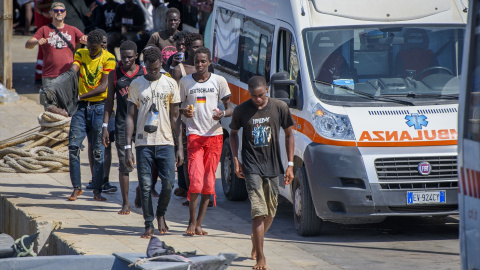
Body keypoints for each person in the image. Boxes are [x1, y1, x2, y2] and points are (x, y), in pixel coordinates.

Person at [229, 76, 295, 270]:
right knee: (258, 212)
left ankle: (255, 238)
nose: (257, 99)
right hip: (252, 167)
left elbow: (290, 134)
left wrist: (290, 164)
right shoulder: (241, 110)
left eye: (261, 95)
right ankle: (261, 257)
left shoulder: (279, 107)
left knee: (270, 212)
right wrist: (235, 159)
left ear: (267, 89)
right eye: (253, 96)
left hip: (273, 166)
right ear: (249, 92)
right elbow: (232, 134)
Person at [125, 47, 183, 238]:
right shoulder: (136, 85)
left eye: (156, 68)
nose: (153, 71)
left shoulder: (171, 84)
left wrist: (179, 146)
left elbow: (176, 117)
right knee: (146, 185)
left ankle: (161, 215)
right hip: (143, 143)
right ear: (144, 66)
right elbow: (130, 117)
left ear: (161, 65)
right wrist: (128, 148)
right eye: (150, 69)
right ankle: (148, 224)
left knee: (168, 183)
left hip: (166, 141)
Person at [179, 47, 232, 236]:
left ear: (209, 62)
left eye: (203, 61)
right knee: (195, 181)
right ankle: (191, 223)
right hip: (193, 135)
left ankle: (200, 224)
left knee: (209, 184)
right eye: (196, 61)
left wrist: (222, 114)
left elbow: (229, 107)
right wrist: (184, 112)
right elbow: (177, 108)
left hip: (215, 136)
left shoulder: (219, 81)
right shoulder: (185, 82)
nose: (199, 65)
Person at [66, 29, 116, 202]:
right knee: (73, 146)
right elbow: (74, 69)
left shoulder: (108, 58)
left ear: (101, 46)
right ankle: (76, 188)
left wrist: (79, 96)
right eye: (89, 48)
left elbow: (103, 86)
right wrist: (66, 80)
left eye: (95, 49)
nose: (92, 52)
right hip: (80, 108)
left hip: (99, 108)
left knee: (97, 151)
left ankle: (97, 191)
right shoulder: (81, 52)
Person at [102, 40, 146, 215]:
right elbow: (108, 101)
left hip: (141, 123)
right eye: (123, 57)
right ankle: (125, 203)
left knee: (144, 164)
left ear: (136, 56)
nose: (126, 60)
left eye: (129, 57)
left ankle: (140, 191)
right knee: (123, 164)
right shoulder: (115, 74)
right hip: (121, 123)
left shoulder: (143, 73)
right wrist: (105, 125)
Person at [25, 2, 87, 93]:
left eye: (62, 10)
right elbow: (28, 45)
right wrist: (36, 42)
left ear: (65, 13)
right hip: (50, 77)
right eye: (56, 10)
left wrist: (91, 40)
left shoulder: (73, 30)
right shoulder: (44, 29)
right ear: (50, 13)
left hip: (68, 76)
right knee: (51, 106)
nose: (59, 12)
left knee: (68, 106)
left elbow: (86, 39)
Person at [86, 28, 117, 194]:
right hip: (92, 105)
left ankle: (104, 179)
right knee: (92, 143)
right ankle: (94, 178)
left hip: (108, 106)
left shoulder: (112, 60)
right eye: (100, 44)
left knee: (107, 143)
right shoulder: (88, 59)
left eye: (105, 43)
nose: (103, 46)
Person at [33, 0, 53, 85]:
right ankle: (39, 75)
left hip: (48, 21)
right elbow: (37, 6)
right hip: (43, 22)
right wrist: (54, 2)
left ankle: (42, 74)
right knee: (43, 50)